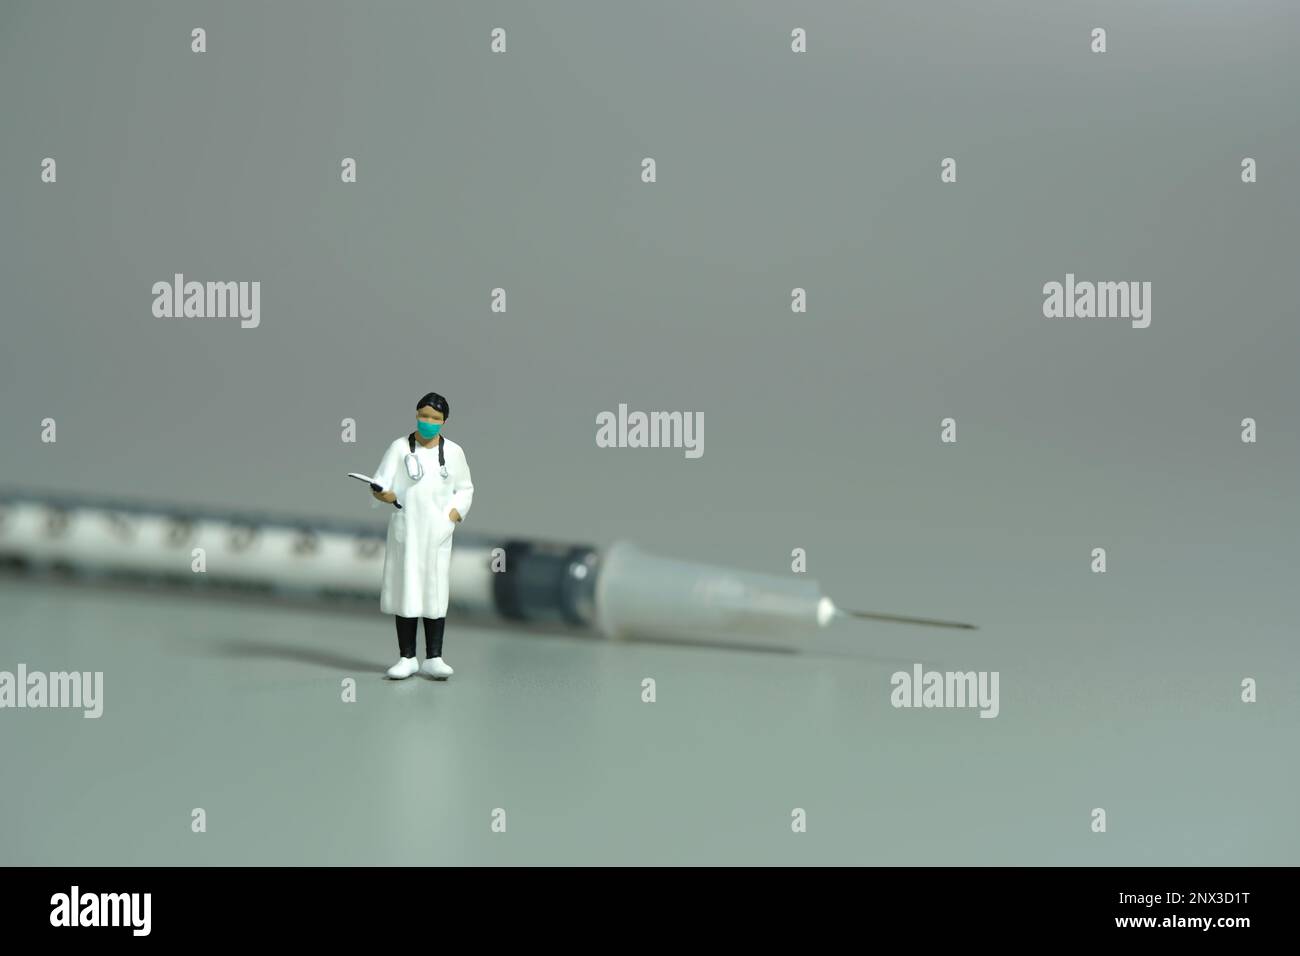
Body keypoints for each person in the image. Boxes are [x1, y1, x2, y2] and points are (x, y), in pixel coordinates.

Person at [370, 391, 474, 680]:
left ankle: (434, 658)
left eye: (435, 418)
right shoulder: (399, 448)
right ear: (416, 415)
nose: (428, 422)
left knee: (434, 593)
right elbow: (380, 483)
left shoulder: (453, 452)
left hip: (437, 531)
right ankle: (406, 658)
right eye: (424, 416)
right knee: (407, 592)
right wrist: (384, 495)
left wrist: (452, 515)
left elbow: (466, 488)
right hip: (408, 529)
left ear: (444, 421)